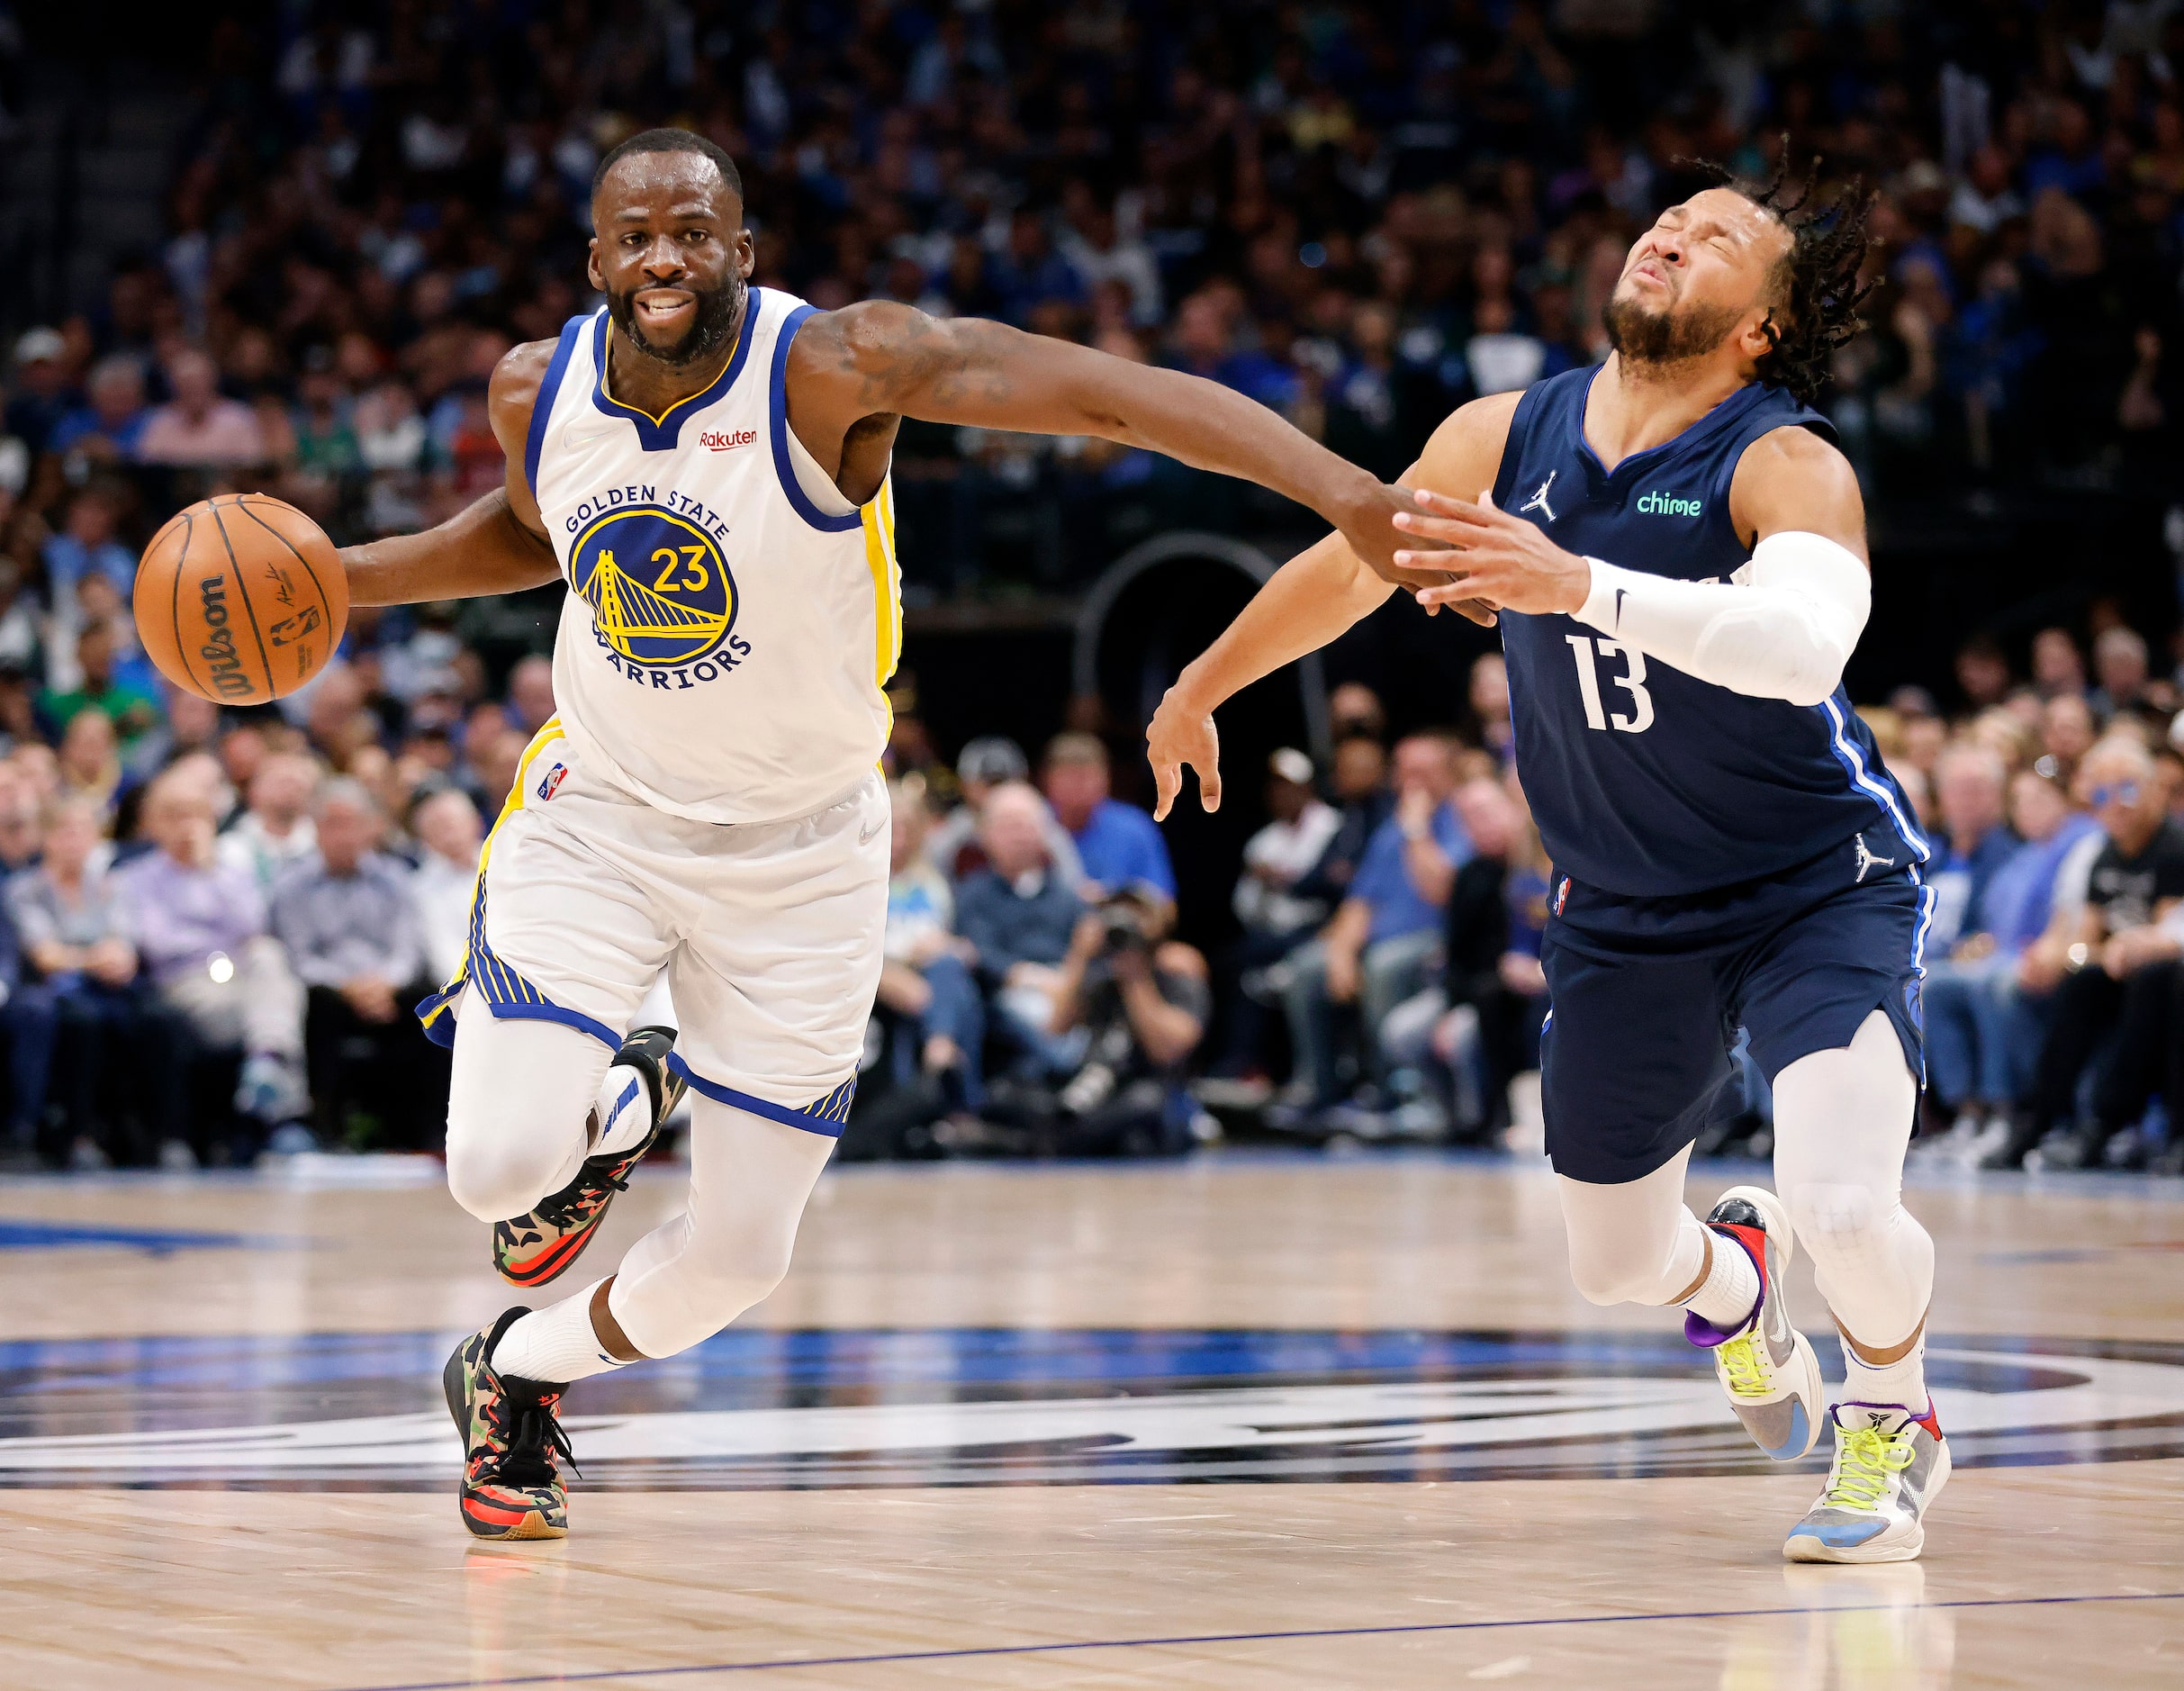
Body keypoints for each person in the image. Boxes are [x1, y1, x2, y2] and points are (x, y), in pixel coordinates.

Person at [324, 126, 1419, 1540]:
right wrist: (342, 583)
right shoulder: (535, 389)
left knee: (736, 1260)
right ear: (595, 259)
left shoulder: (840, 363)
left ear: (742, 251)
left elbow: (1113, 403)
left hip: (807, 853)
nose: (664, 257)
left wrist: (1344, 493)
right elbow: (543, 533)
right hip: (603, 812)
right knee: (493, 1166)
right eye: (636, 236)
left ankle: (514, 1371)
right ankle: (623, 1105)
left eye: (693, 233)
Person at [1151, 164, 1952, 1562]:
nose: (1671, 234)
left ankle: (1892, 1418)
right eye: (1670, 216)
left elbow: (1801, 648)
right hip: (1624, 902)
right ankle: (1734, 1276)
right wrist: (1203, 684)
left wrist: (1573, 582)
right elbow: (1351, 569)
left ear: (1756, 325)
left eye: (1714, 242)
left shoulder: (1782, 459)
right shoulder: (1499, 433)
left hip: (1815, 882)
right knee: (1617, 1261)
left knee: (1843, 1197)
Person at [1986, 737, 2184, 1169]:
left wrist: (2127, 947)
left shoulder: (2172, 846)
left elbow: (2169, 932)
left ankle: (2118, 1123)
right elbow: (2089, 943)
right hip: (2122, 966)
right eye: (2101, 793)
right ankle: (2038, 1121)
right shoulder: (2104, 855)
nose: (2115, 803)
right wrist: (2071, 956)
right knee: (2080, 984)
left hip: (2163, 970)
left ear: (2155, 791)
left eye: (2128, 789)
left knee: (2156, 980)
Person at [115, 766, 308, 1165]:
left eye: (196, 814)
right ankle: (278, 1105)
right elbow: (156, 945)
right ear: (153, 823)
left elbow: (254, 929)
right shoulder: (134, 879)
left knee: (269, 958)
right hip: (186, 985)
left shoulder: (231, 872)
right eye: (175, 815)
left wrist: (209, 872)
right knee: (275, 1009)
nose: (187, 825)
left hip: (242, 981)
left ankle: (264, 1065)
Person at [1280, 732, 1469, 1112]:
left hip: (1436, 939)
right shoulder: (1390, 830)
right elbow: (1360, 902)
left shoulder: (1461, 820)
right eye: (1405, 771)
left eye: (1423, 771)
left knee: (1383, 966)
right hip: (1380, 938)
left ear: (1448, 774)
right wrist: (1340, 952)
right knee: (1305, 969)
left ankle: (1395, 1094)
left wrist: (1417, 830)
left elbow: (1441, 891)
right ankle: (1320, 1089)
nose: (1411, 781)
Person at [268, 779, 437, 1150]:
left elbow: (407, 950)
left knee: (430, 1002)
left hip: (388, 988)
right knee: (314, 1006)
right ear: (315, 828)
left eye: (352, 823)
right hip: (329, 991)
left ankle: (425, 1135)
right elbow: (299, 956)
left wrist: (384, 984)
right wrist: (349, 987)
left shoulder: (396, 879)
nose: (343, 834)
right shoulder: (292, 886)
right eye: (332, 823)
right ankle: (325, 1130)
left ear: (370, 827)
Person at [6, 796, 142, 1167]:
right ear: (47, 838)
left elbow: (124, 942)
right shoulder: (26, 888)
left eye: (84, 833)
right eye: (66, 832)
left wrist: (113, 957)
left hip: (108, 985)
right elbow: (46, 956)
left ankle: (137, 1132)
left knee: (156, 1017)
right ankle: (74, 1133)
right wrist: (92, 959)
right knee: (84, 1022)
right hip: (58, 990)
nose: (75, 842)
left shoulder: (108, 886)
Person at [1040, 731, 1176, 901]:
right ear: (1048, 781)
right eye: (1069, 778)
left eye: (1085, 778)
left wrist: (1111, 899)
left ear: (1106, 780)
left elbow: (1164, 903)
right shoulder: (1029, 824)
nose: (1078, 788)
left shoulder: (1134, 827)